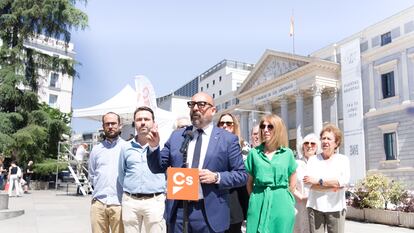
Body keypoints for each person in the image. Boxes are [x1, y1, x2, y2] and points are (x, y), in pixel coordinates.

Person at [146, 92, 248, 233]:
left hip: (209, 212)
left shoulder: (227, 140)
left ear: (213, 110)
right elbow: (157, 166)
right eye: (192, 104)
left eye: (201, 104)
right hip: (179, 211)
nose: (195, 108)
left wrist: (217, 177)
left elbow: (241, 175)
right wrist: (153, 147)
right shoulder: (177, 136)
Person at [245, 114, 297, 233]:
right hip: (259, 201)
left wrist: (287, 197)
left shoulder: (287, 153)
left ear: (278, 129)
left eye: (270, 127)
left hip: (282, 202)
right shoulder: (254, 153)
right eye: (263, 126)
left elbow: (293, 178)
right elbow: (249, 182)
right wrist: (255, 198)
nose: (265, 130)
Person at [118, 106, 166, 233]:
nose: (143, 122)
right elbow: (121, 173)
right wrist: (131, 190)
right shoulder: (125, 147)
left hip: (154, 201)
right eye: (139, 119)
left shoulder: (163, 147)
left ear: (153, 123)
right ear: (135, 123)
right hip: (131, 201)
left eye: (147, 119)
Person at [303, 123, 350, 233]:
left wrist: (318, 181)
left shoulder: (343, 160)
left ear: (336, 142)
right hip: (315, 207)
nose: (325, 141)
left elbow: (343, 182)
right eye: (323, 138)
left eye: (329, 138)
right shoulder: (313, 160)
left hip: (336, 208)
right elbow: (309, 184)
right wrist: (333, 186)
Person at [88, 112, 125, 233]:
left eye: (113, 123)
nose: (110, 126)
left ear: (120, 125)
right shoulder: (96, 149)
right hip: (99, 204)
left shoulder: (127, 147)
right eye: (107, 124)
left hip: (119, 204)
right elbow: (92, 174)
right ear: (103, 127)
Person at [216, 113, 249, 233]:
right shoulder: (211, 145)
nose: (225, 126)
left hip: (236, 196)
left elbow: (244, 173)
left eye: (229, 124)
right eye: (221, 123)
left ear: (235, 126)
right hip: (216, 196)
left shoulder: (243, 146)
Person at [293, 133, 320, 233]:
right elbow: (289, 184)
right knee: (298, 228)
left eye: (313, 143)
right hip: (299, 204)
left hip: (317, 204)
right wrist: (299, 196)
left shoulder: (321, 163)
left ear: (317, 147)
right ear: (302, 146)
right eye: (306, 143)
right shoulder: (296, 164)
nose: (309, 146)